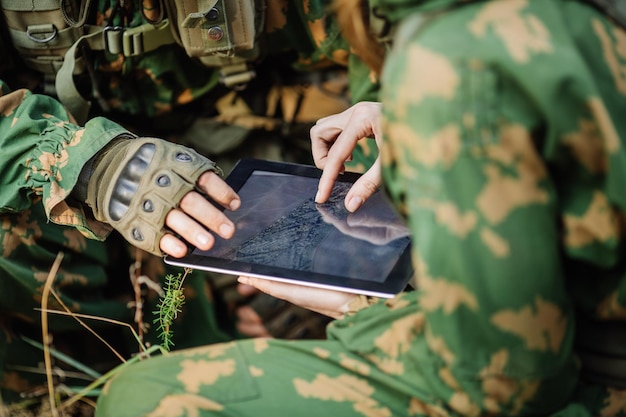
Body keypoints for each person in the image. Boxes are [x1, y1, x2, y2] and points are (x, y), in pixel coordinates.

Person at [95, 0, 626, 416]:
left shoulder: (454, 58)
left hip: (593, 375)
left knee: (143, 399)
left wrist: (360, 312)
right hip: (572, 318)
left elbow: (511, 380)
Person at [0, 0, 380, 408]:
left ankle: (239, 331)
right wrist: (87, 162)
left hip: (291, 153)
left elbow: (402, 50)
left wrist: (339, 251)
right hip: (85, 184)